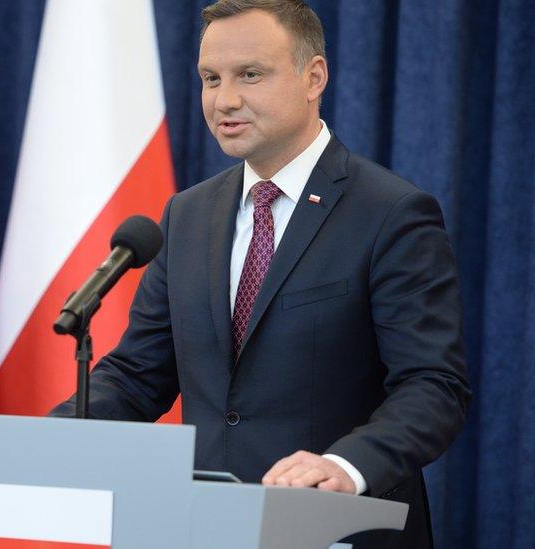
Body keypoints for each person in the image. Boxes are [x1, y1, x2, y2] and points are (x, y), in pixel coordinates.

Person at [49, 1, 471, 547]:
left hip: (337, 529)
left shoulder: (391, 213)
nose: (225, 100)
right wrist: (50, 438)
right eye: (210, 78)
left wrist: (347, 464)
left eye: (250, 75)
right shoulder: (187, 216)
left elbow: (433, 385)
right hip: (204, 527)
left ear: (313, 76)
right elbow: (137, 377)